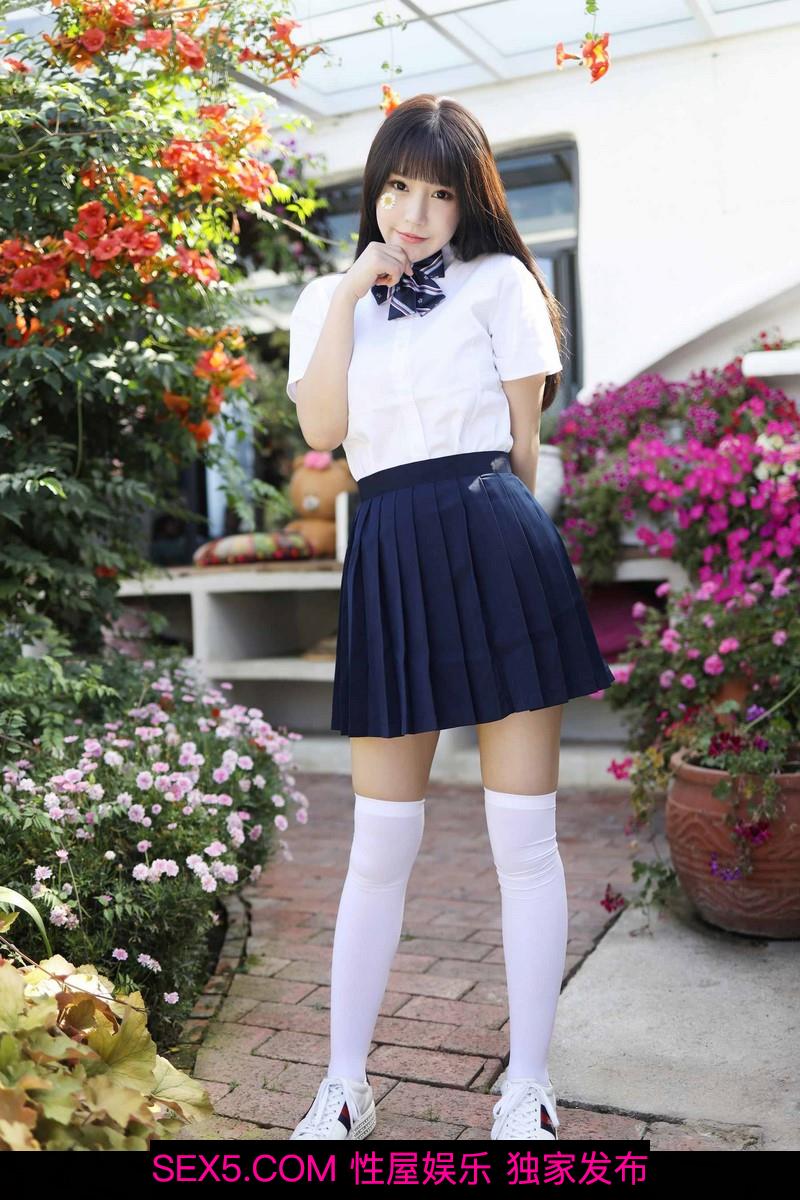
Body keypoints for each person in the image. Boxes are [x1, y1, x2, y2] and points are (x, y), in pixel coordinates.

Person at [284, 94, 616, 1141]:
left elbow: (523, 447)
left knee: (522, 837)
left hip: (493, 539)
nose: (414, 213)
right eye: (396, 187)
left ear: (468, 200)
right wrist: (352, 290)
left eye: (437, 193)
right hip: (386, 551)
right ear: (373, 190)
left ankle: (526, 1087)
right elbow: (324, 429)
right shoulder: (324, 300)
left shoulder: (501, 281)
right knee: (380, 841)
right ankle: (345, 1085)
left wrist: (499, 546)